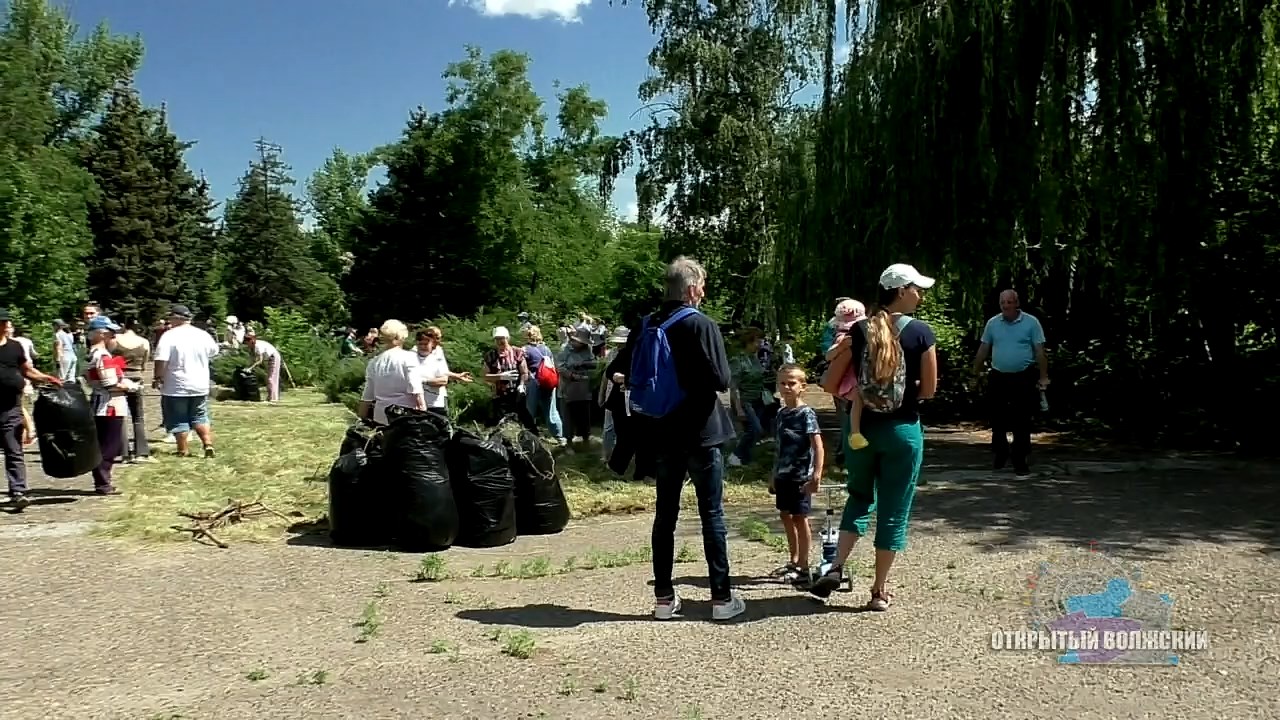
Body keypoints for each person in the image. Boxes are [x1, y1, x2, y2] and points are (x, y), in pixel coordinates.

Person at [612, 256, 744, 621]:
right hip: (702, 432)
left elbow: (618, 370)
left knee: (665, 515)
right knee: (711, 514)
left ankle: (664, 600)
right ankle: (721, 600)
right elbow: (721, 380)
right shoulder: (700, 324)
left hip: (661, 433)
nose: (703, 291)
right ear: (691, 289)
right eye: (701, 285)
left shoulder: (645, 325)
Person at [808, 264, 938, 611]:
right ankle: (879, 591)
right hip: (903, 432)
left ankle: (835, 568)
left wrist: (860, 397)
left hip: (860, 431)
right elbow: (928, 390)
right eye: (915, 288)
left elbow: (829, 384)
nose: (919, 294)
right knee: (894, 509)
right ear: (900, 291)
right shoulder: (921, 333)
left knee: (860, 497)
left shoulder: (860, 330)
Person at [972, 289, 1050, 479]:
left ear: (1017, 303)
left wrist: (1043, 376)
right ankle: (1000, 451)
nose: (1006, 306)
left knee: (1022, 418)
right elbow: (984, 348)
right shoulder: (993, 323)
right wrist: (975, 372)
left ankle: (1020, 458)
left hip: (1023, 376)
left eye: (1009, 302)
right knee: (997, 417)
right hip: (999, 376)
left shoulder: (1031, 323)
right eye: (1003, 303)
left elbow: (1039, 351)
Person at [0, 309, 63, 509]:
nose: (4, 325)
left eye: (4, 322)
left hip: (10, 406)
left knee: (14, 450)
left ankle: (18, 491)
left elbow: (26, 370)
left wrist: (45, 377)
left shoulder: (15, 346)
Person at [770, 364, 823, 583]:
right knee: (785, 515)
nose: (786, 387)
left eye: (791, 383)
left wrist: (817, 474)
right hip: (783, 474)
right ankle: (793, 559)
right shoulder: (782, 413)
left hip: (801, 475)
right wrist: (773, 474)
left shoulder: (806, 414)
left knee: (800, 517)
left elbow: (818, 445)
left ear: (802, 387)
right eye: (782, 383)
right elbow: (779, 446)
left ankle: (803, 564)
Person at [152, 304, 220, 458]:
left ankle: (183, 450)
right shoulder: (202, 334)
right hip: (200, 383)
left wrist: (158, 378)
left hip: (176, 384)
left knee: (178, 418)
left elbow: (161, 359)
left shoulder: (170, 335)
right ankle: (207, 444)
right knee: (200, 416)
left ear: (177, 318)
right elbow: (213, 352)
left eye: (171, 317)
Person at [85, 316, 136, 494]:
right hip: (109, 404)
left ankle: (102, 481)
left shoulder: (91, 353)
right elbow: (110, 383)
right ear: (102, 334)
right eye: (112, 334)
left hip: (100, 402)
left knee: (106, 443)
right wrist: (130, 386)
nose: (114, 338)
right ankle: (103, 483)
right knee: (109, 446)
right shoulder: (102, 355)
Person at [357, 320, 425, 425]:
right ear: (400, 337)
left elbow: (368, 394)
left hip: (380, 415)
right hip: (404, 416)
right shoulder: (409, 358)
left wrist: (361, 418)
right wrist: (423, 412)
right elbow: (415, 388)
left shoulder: (374, 362)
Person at [727, 328, 771, 467]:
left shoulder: (755, 358)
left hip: (758, 400)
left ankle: (744, 459)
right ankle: (735, 455)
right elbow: (733, 386)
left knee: (754, 431)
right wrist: (739, 408)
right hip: (745, 401)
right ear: (749, 342)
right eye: (758, 342)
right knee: (755, 429)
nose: (760, 345)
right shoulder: (738, 360)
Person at [112, 321, 152, 462]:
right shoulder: (144, 342)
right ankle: (141, 451)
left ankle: (124, 452)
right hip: (136, 378)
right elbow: (144, 364)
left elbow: (111, 360)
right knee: (138, 416)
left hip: (119, 379)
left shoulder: (115, 340)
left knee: (121, 416)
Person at [482, 326, 536, 430]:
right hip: (499, 395)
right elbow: (485, 376)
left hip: (517, 394)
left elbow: (524, 372)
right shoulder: (491, 356)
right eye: (497, 339)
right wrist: (501, 376)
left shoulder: (517, 352)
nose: (500, 341)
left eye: (502, 338)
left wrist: (522, 385)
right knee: (497, 422)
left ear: (508, 338)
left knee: (525, 418)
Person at [521, 326, 566, 445]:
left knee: (530, 411)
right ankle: (560, 438)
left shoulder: (525, 350)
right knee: (551, 411)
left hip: (534, 382)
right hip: (549, 382)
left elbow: (523, 368)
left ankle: (529, 437)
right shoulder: (546, 349)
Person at [557, 327, 599, 451]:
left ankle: (585, 439)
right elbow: (560, 367)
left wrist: (584, 364)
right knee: (568, 416)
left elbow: (594, 364)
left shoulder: (587, 350)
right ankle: (568, 442)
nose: (580, 345)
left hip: (584, 388)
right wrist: (572, 375)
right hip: (568, 387)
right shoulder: (565, 349)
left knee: (584, 414)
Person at [414, 326, 472, 415]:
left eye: (440, 338)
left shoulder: (438, 351)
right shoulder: (412, 355)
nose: (439, 340)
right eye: (436, 338)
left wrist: (457, 376)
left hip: (436, 401)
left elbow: (443, 377)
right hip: (418, 403)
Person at [598, 327, 629, 461]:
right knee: (608, 426)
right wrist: (601, 393)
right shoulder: (612, 354)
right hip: (612, 393)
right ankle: (606, 455)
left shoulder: (634, 354)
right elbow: (606, 375)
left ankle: (620, 456)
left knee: (624, 428)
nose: (619, 345)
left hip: (628, 394)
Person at [244, 329, 283, 402]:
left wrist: (250, 368)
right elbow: (252, 359)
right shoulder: (252, 348)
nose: (247, 344)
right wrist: (248, 367)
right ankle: (270, 397)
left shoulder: (258, 346)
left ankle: (273, 399)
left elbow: (259, 360)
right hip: (268, 359)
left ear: (252, 340)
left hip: (273, 357)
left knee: (271, 379)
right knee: (268, 379)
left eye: (248, 342)